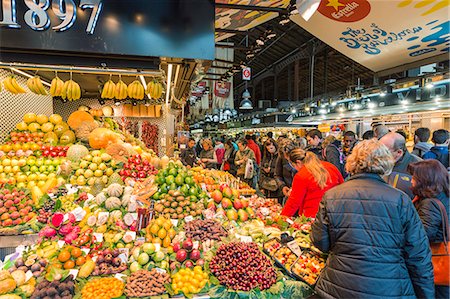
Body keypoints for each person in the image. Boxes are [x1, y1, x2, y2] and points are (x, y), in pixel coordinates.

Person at [311, 139, 435, 299]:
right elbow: (418, 256)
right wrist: (426, 295)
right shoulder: (401, 200)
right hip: (389, 288)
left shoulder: (332, 196)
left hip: (339, 286)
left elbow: (320, 241)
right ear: (386, 163)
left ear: (351, 162)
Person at [408, 160, 449, 299]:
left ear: (424, 180)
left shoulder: (429, 204)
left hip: (436, 260)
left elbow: (422, 236)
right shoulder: (444, 196)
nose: (411, 181)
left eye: (414, 177)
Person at [281, 148, 343, 218]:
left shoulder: (301, 175)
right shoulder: (331, 167)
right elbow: (342, 187)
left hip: (313, 216)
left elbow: (293, 203)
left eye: (294, 166)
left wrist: (282, 218)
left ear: (298, 162)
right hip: (335, 213)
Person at [274, 140, 298, 204]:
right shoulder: (281, 158)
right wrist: (282, 186)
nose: (287, 158)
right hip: (287, 193)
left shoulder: (301, 159)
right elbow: (277, 174)